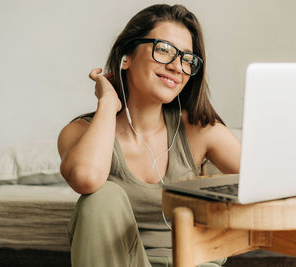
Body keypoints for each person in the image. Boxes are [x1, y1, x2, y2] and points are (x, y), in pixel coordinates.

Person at [57, 4, 241, 267]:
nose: (178, 67)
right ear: (126, 57)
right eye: (164, 49)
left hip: (191, 263)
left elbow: (269, 188)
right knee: (101, 196)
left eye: (187, 59)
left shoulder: (200, 131)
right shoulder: (80, 132)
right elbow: (85, 179)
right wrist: (108, 103)